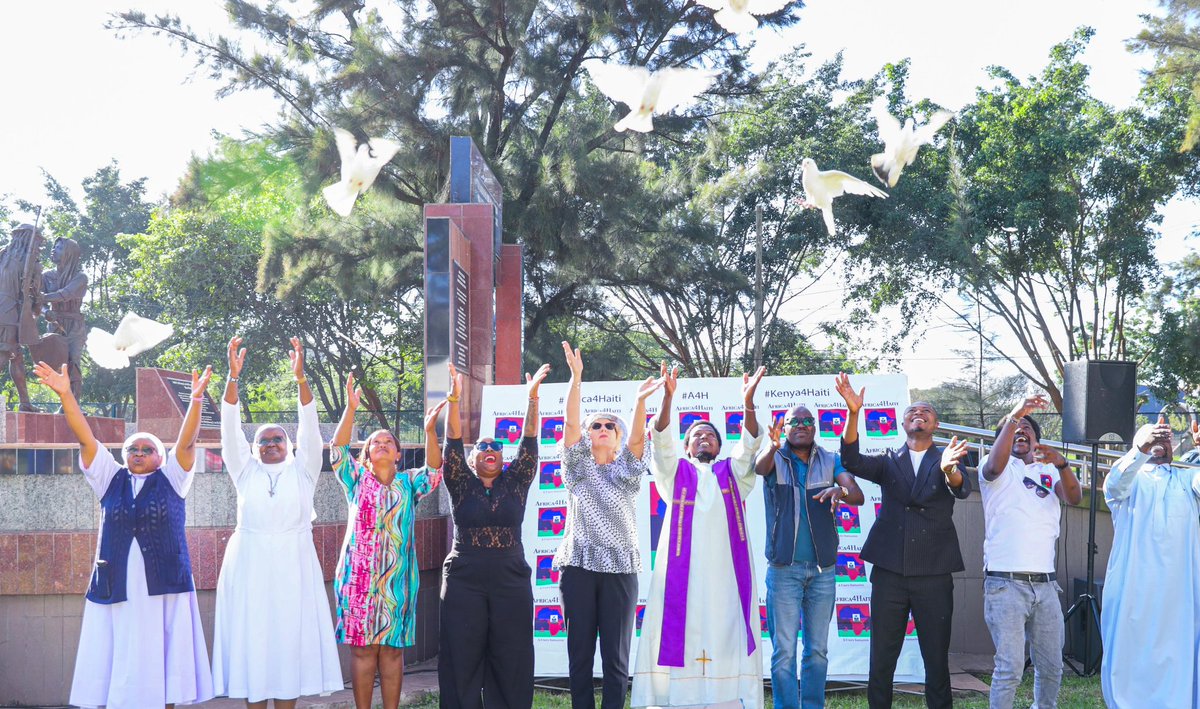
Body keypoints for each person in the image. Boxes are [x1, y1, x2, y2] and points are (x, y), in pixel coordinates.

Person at [33, 359, 215, 708]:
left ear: (160, 457)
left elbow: (187, 444)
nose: (140, 453)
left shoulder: (173, 479)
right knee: (120, 652)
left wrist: (195, 401)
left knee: (164, 654)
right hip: (116, 580)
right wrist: (66, 394)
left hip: (163, 584)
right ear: (124, 454)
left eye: (149, 449)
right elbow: (85, 437)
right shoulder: (108, 477)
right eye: (134, 449)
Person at [211, 336, 344, 707]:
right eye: (264, 440)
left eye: (278, 439)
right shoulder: (244, 471)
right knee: (253, 638)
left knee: (289, 640)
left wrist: (301, 380)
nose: (271, 444)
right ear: (255, 448)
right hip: (250, 562)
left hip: (294, 563)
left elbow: (311, 430)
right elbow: (229, 430)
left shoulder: (304, 471)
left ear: (288, 445)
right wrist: (232, 379)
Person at [631, 364, 767, 709]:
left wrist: (747, 403)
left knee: (728, 625)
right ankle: (677, 699)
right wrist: (668, 398)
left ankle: (726, 698)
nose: (704, 438)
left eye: (710, 435)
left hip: (727, 576)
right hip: (681, 577)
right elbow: (661, 441)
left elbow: (750, 445)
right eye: (696, 436)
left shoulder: (734, 474)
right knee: (678, 628)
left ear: (720, 446)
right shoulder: (675, 473)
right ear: (688, 447)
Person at [833, 373, 970, 709]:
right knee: (882, 658)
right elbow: (851, 460)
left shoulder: (948, 457)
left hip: (934, 574)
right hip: (890, 572)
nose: (918, 414)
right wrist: (854, 413)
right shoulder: (887, 462)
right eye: (912, 412)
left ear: (935, 424)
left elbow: (960, 486)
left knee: (936, 658)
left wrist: (950, 467)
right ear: (902, 422)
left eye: (925, 412)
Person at [554, 341, 660, 709]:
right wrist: (576, 378)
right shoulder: (577, 469)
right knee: (580, 656)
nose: (602, 428)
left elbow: (637, 439)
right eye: (596, 425)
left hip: (619, 571)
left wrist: (640, 402)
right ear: (587, 434)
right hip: (578, 569)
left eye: (609, 425)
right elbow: (569, 423)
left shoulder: (626, 471)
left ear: (616, 438)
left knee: (616, 659)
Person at [331, 371, 445, 709]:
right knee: (363, 650)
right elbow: (337, 450)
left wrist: (428, 432)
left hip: (398, 581)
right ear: (366, 454)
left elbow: (435, 471)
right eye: (374, 443)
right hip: (357, 579)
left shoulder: (409, 484)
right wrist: (350, 409)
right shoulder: (356, 480)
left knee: (392, 651)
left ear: (398, 454)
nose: (382, 444)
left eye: (388, 442)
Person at [438, 360, 548, 708]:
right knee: (462, 652)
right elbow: (452, 443)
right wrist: (454, 402)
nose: (489, 449)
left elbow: (530, 441)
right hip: (464, 576)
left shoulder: (517, 481)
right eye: (482, 447)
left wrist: (532, 401)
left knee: (511, 653)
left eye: (496, 446)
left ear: (504, 457)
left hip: (510, 576)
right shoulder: (459, 483)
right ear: (471, 460)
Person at [755, 405, 865, 709]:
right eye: (794, 421)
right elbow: (759, 469)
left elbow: (858, 495)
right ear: (785, 427)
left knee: (817, 650)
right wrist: (772, 446)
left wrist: (839, 492)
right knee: (784, 651)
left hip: (823, 571)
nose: (801, 425)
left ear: (815, 428)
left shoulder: (830, 460)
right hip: (783, 570)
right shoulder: (774, 458)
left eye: (807, 421)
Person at [978, 394, 1082, 709]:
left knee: (1050, 666)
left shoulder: (1048, 471)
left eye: (1028, 428)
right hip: (1005, 583)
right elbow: (995, 465)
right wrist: (1014, 414)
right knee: (1009, 667)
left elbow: (1074, 498)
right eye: (1014, 428)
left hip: (1046, 586)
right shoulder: (995, 466)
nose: (1021, 431)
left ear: (1037, 439)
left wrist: (1061, 463)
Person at [1100, 415, 1200, 709]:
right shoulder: (1129, 482)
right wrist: (1141, 449)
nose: (1160, 443)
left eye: (1165, 439)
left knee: (1176, 662)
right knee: (1130, 662)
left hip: (1177, 601)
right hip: (1134, 595)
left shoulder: (1186, 480)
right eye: (1153, 437)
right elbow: (1115, 485)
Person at [0, 223, 42, 411]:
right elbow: (35, 294)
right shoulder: (30, 261)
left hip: (5, 310)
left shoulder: (2, 254)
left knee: (16, 357)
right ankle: (25, 403)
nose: (38, 247)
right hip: (9, 315)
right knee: (4, 355)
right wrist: (37, 308)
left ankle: (25, 402)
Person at [40, 236, 87, 400]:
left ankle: (74, 402)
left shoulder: (80, 277)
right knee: (56, 365)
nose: (54, 250)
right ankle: (64, 400)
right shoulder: (46, 276)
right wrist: (45, 312)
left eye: (59, 248)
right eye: (54, 246)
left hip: (74, 326)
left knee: (72, 362)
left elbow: (64, 295)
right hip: (54, 324)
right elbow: (36, 305)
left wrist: (40, 297)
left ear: (69, 253)